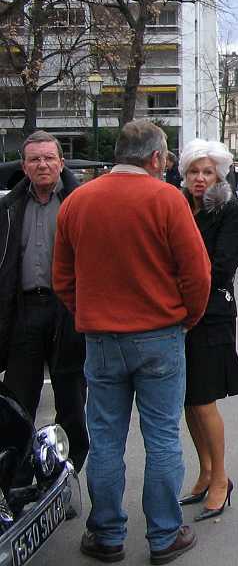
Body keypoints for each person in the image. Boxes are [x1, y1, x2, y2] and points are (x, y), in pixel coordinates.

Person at [53, 119, 211, 564]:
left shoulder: (78, 201)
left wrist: (87, 312)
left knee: (105, 437)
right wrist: (187, 318)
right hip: (160, 334)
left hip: (101, 337)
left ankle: (107, 533)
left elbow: (62, 276)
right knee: (161, 436)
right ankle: (163, 534)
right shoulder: (166, 200)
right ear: (156, 158)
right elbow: (196, 273)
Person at [0, 131, 89, 474]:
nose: (42, 165)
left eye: (49, 158)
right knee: (18, 397)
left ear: (61, 162)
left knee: (70, 398)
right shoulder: (9, 207)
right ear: (24, 166)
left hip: (68, 309)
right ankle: (18, 474)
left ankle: (67, 475)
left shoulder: (78, 202)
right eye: (35, 159)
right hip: (24, 310)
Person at [177, 139, 238, 524]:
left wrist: (178, 282)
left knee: (204, 398)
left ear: (219, 174)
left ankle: (221, 478)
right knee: (189, 399)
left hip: (212, 312)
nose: (200, 179)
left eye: (207, 172)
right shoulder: (178, 206)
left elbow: (222, 266)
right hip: (179, 313)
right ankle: (204, 470)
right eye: (193, 172)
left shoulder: (230, 210)